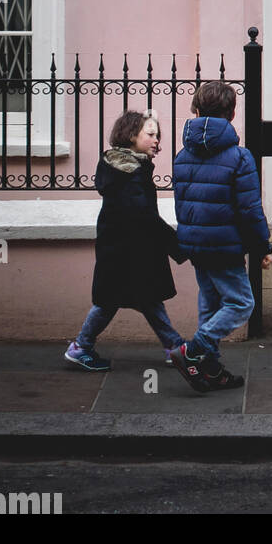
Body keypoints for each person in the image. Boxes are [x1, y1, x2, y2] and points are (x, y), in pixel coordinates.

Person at [169, 80, 272, 394]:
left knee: (210, 302)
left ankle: (210, 369)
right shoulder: (240, 157)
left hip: (195, 243)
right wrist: (262, 246)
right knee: (242, 303)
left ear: (197, 110)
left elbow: (181, 202)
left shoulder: (182, 156)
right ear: (231, 114)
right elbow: (250, 209)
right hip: (225, 246)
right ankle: (194, 350)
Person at [65, 110, 184, 371]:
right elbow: (143, 216)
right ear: (131, 136)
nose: (157, 140)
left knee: (145, 299)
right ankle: (82, 346)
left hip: (126, 249)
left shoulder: (127, 168)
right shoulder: (129, 173)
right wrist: (177, 244)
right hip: (125, 251)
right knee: (112, 301)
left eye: (157, 135)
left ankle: (174, 347)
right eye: (150, 134)